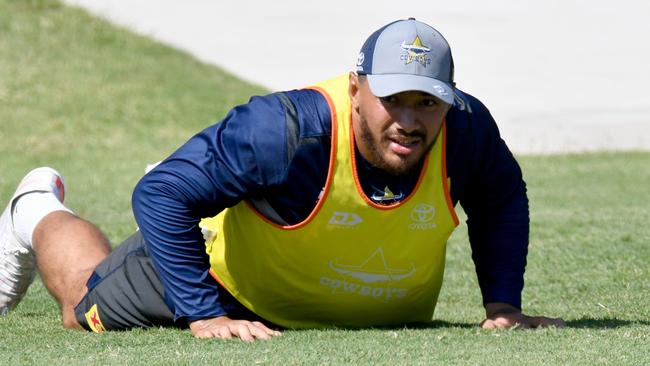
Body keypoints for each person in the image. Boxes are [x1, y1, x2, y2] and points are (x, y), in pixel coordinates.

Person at [0, 18, 564, 340]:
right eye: (393, 100)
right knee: (79, 311)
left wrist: (503, 306)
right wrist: (206, 313)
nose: (410, 121)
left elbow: (502, 199)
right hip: (226, 284)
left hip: (356, 305)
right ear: (355, 89)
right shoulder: (285, 129)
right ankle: (34, 209)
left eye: (427, 103)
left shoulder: (467, 129)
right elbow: (161, 192)